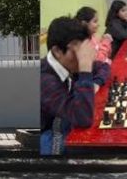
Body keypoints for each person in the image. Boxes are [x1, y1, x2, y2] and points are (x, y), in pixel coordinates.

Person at [40, 16, 106, 155]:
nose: (83, 56)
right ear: (57, 51)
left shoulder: (68, 62)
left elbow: (103, 67)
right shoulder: (45, 81)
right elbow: (83, 118)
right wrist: (85, 70)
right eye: (77, 51)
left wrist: (95, 82)